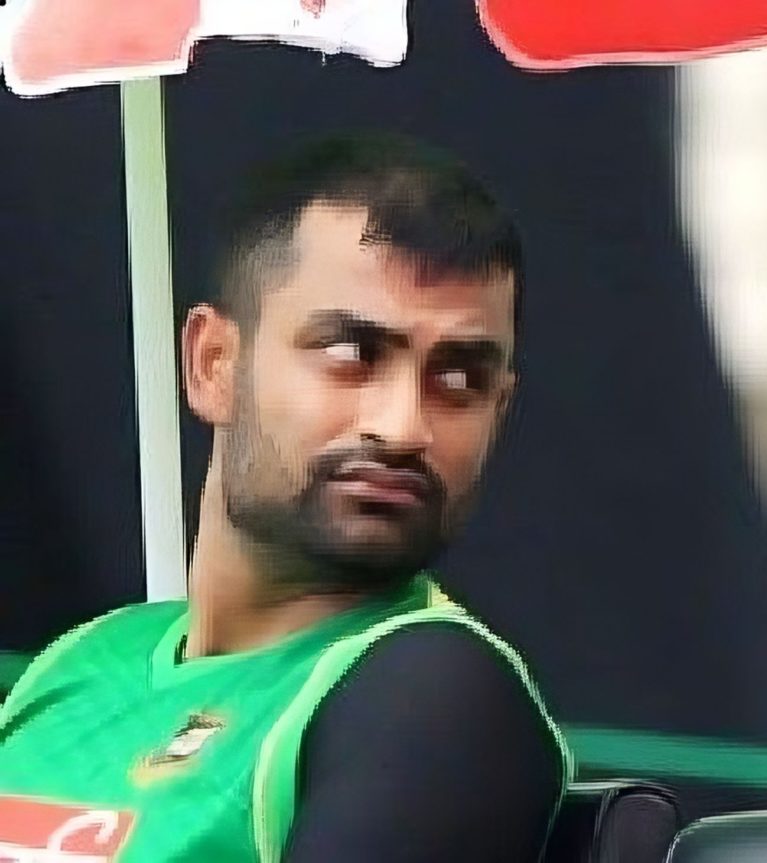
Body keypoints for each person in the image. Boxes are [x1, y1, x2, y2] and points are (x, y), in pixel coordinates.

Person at [0, 133, 569, 862]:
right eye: (351, 355)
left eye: (459, 381)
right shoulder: (84, 659)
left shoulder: (433, 690)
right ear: (213, 365)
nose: (402, 428)